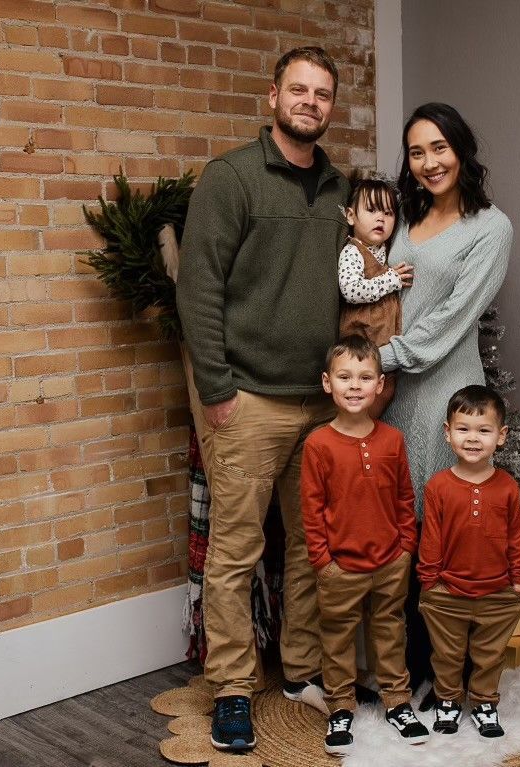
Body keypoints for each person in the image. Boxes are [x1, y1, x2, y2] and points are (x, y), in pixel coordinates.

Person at [176, 46, 349, 752]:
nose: (310, 102)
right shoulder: (232, 177)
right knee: (236, 552)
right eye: (298, 90)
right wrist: (217, 388)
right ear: (273, 96)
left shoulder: (340, 189)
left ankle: (302, 669)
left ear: (331, 107)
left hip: (323, 405)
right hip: (249, 401)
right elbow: (199, 287)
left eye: (322, 94)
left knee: (310, 548)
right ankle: (232, 689)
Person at [379, 102, 515, 695]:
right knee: (394, 528)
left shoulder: (490, 228)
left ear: (461, 150)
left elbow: (453, 320)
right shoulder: (403, 218)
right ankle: (398, 668)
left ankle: (444, 674)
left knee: (438, 528)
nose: (429, 162)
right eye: (417, 152)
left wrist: (380, 358)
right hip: (387, 394)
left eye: (440, 148)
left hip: (441, 390)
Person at [301, 336, 429, 756]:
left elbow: (405, 497)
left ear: (380, 385)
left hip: (390, 561)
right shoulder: (319, 444)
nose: (355, 386)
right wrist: (323, 561)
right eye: (345, 377)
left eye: (365, 377)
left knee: (389, 632)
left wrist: (406, 546)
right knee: (337, 639)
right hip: (340, 567)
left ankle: (397, 702)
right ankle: (340, 708)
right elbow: (312, 509)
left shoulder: (392, 439)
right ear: (328, 383)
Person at [417, 385, 520, 738]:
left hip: (497, 591)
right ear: (448, 433)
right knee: (447, 655)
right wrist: (429, 580)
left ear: (501, 436)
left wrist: (518, 577)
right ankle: (448, 701)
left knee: (489, 655)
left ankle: (483, 704)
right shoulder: (438, 486)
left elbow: (515, 536)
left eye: (484, 430)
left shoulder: (507, 487)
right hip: (447, 591)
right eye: (463, 429)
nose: (473, 438)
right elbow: (431, 538)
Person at [337, 174, 413, 418]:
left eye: (388, 213)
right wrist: (390, 280)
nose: (380, 218)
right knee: (364, 400)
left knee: (385, 392)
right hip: (361, 340)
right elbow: (351, 290)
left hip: (383, 343)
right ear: (351, 216)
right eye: (371, 210)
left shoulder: (384, 250)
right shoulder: (353, 251)